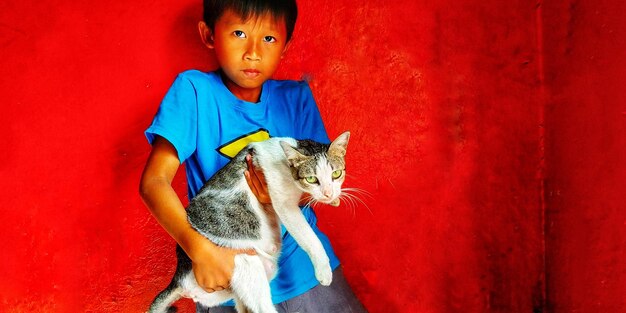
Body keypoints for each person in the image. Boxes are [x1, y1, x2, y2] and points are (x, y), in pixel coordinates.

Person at [139, 0, 367, 312]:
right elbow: (154, 181)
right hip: (227, 270)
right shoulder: (194, 91)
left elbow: (321, 185)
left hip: (303, 272)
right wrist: (202, 252)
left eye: (269, 39)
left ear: (286, 45)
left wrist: (278, 194)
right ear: (208, 35)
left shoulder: (296, 97)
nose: (253, 52)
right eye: (238, 33)